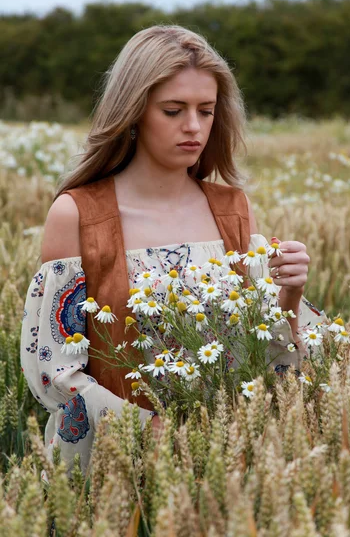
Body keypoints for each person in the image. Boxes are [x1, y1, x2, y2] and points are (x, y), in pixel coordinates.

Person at [20, 25, 324, 475]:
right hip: (110, 467)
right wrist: (153, 432)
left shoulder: (233, 211)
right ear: (133, 112)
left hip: (223, 460)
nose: (193, 127)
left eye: (206, 110)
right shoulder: (79, 215)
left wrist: (290, 296)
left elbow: (269, 358)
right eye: (173, 110)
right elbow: (53, 370)